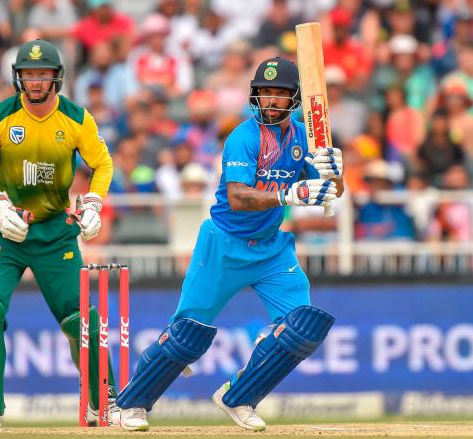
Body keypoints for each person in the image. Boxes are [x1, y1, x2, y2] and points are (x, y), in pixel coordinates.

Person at [116, 57, 344, 431]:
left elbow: (332, 191)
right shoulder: (244, 136)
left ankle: (239, 397)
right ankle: (132, 404)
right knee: (187, 334)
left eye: (280, 94)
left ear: (294, 100)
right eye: (265, 93)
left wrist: (336, 171)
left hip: (271, 248)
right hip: (223, 244)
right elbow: (238, 196)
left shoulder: (305, 136)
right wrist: (291, 195)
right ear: (255, 96)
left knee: (302, 328)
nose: (271, 101)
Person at [0, 39, 114, 428]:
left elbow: (103, 163)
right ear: (18, 77)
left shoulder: (77, 118)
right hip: (5, 232)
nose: (35, 82)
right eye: (28, 74)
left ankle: (104, 400)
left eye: (42, 74)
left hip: (54, 233)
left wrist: (93, 202)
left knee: (81, 318)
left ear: (56, 77)